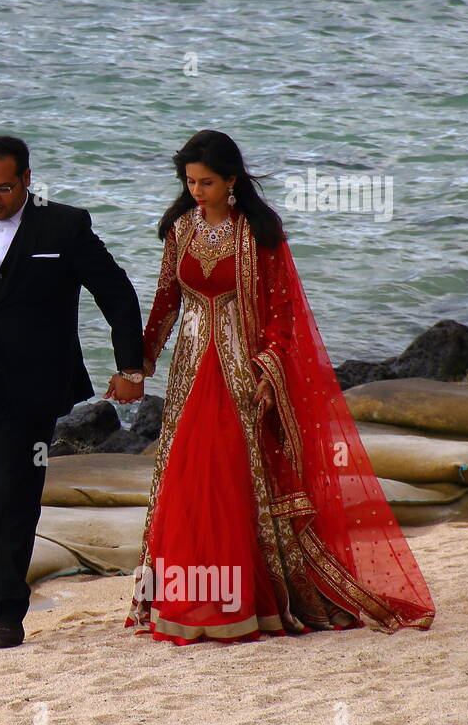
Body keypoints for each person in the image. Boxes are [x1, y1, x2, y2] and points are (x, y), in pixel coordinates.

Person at [125, 129, 436, 644]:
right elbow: (166, 302)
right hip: (189, 373)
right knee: (185, 476)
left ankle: (243, 604)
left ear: (231, 181)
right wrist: (137, 366)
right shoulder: (179, 229)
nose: (196, 191)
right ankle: (183, 601)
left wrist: (269, 372)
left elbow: (282, 312)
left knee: (232, 476)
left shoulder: (259, 232)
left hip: (242, 373)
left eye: (205, 182)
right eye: (189, 182)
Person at [0, 135, 145, 649]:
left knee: (16, 498)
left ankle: (9, 612)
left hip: (29, 385)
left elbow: (116, 291)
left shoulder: (64, 224)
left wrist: (130, 366)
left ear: (27, 180)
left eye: (4, 188)